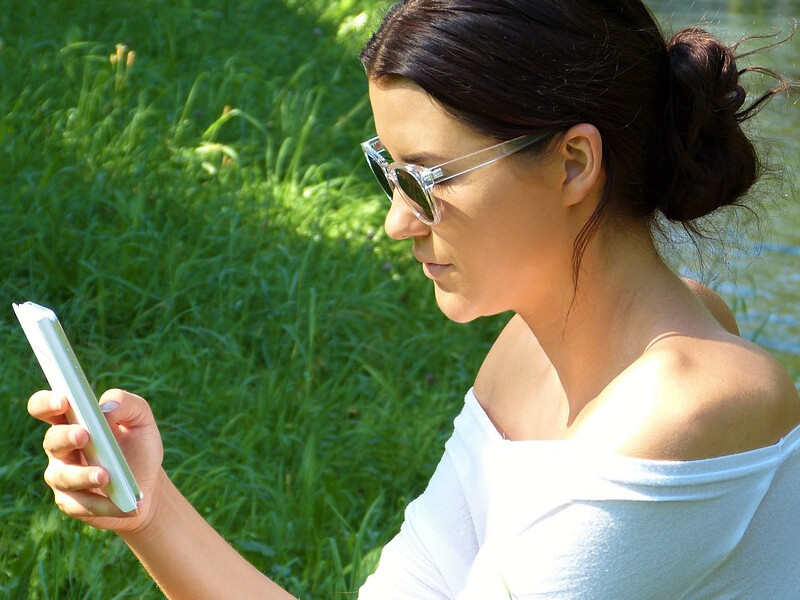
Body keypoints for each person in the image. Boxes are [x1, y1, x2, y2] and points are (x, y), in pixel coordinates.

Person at [27, 0, 800, 598]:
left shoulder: (687, 405)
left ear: (572, 162)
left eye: (427, 179)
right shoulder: (531, 357)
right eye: (388, 173)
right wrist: (149, 508)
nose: (397, 222)